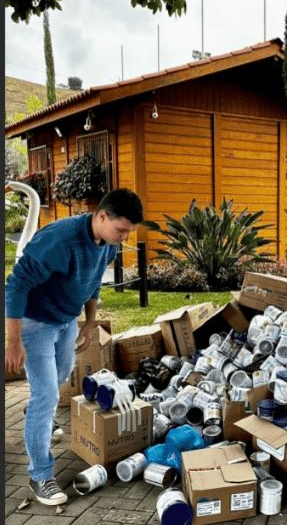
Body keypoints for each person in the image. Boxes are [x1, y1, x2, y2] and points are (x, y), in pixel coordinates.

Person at [5, 188, 143, 505]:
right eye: (121, 230)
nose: (123, 238)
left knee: (63, 373)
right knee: (48, 395)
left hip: (66, 321)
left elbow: (93, 283)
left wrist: (90, 323)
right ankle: (40, 476)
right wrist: (13, 341)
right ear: (102, 216)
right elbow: (16, 284)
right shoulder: (61, 239)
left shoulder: (107, 243)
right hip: (35, 322)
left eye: (128, 233)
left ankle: (35, 412)